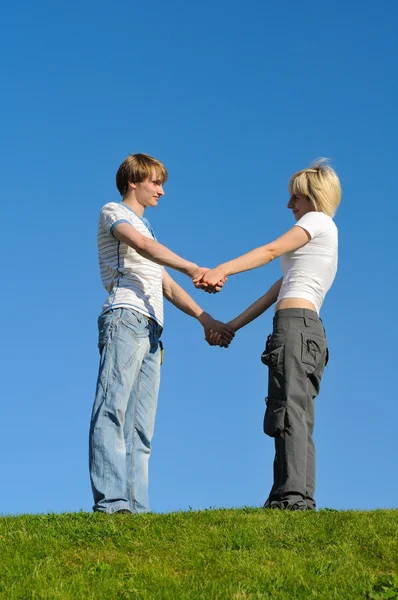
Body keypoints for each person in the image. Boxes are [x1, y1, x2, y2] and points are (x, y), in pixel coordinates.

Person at [89, 152, 233, 514]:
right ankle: (112, 504)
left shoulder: (149, 230)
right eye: (156, 182)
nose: (162, 191)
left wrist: (206, 319)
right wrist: (193, 267)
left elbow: (164, 283)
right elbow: (143, 247)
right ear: (133, 181)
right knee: (112, 410)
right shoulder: (114, 212)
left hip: (152, 329)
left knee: (140, 428)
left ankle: (136, 511)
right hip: (125, 318)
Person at [195, 159, 341, 510]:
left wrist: (221, 269)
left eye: (295, 198)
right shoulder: (311, 251)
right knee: (291, 411)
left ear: (313, 198)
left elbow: (270, 249)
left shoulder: (317, 221)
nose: (290, 206)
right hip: (301, 327)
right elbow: (271, 293)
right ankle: (287, 495)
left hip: (296, 326)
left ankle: (293, 498)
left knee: (289, 410)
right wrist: (231, 326)